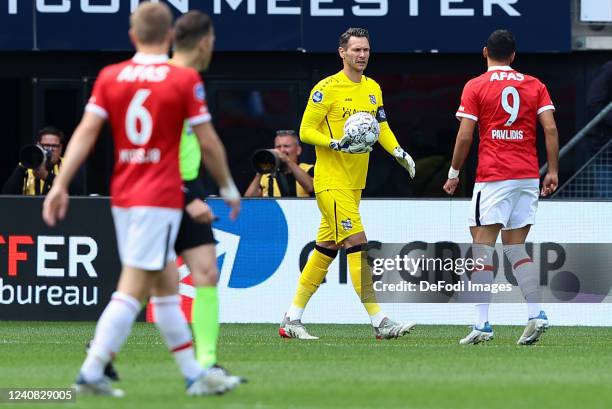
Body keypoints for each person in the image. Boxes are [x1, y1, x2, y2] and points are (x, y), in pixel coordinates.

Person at [42, 2, 240, 397]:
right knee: (133, 289)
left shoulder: (111, 76)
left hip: (125, 194)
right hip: (161, 196)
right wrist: (229, 186)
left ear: (132, 36)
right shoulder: (182, 79)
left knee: (166, 287)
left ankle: (194, 375)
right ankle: (92, 369)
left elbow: (84, 133)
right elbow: (208, 140)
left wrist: (61, 183)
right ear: (170, 37)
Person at [279, 27, 417, 340]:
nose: (362, 55)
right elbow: (305, 131)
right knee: (358, 244)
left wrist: (398, 152)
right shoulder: (326, 88)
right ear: (342, 52)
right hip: (330, 182)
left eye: (366, 50)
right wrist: (335, 143)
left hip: (355, 183)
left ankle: (292, 318)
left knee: (325, 249)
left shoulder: (373, 89)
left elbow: (380, 126)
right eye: (356, 50)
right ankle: (379, 320)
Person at [443, 29, 559, 345]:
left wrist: (454, 172)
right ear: (513, 56)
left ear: (485, 53)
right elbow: (549, 129)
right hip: (526, 176)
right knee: (515, 247)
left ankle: (482, 323)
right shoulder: (534, 84)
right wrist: (553, 171)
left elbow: (465, 136)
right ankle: (536, 312)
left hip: (494, 176)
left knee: (482, 248)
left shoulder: (476, 86)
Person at [2, 126, 78, 195]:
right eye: (46, 145)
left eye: (54, 146)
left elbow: (76, 191)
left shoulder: (67, 164)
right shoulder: (28, 163)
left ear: (61, 148)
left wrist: (46, 176)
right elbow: (7, 193)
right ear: (38, 145)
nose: (49, 150)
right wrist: (24, 165)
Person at [245, 130, 314, 197]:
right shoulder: (266, 175)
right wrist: (260, 170)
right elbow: (248, 201)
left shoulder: (308, 169)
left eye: (286, 146)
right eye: (278, 147)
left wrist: (287, 160)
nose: (282, 150)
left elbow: (311, 187)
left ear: (298, 150)